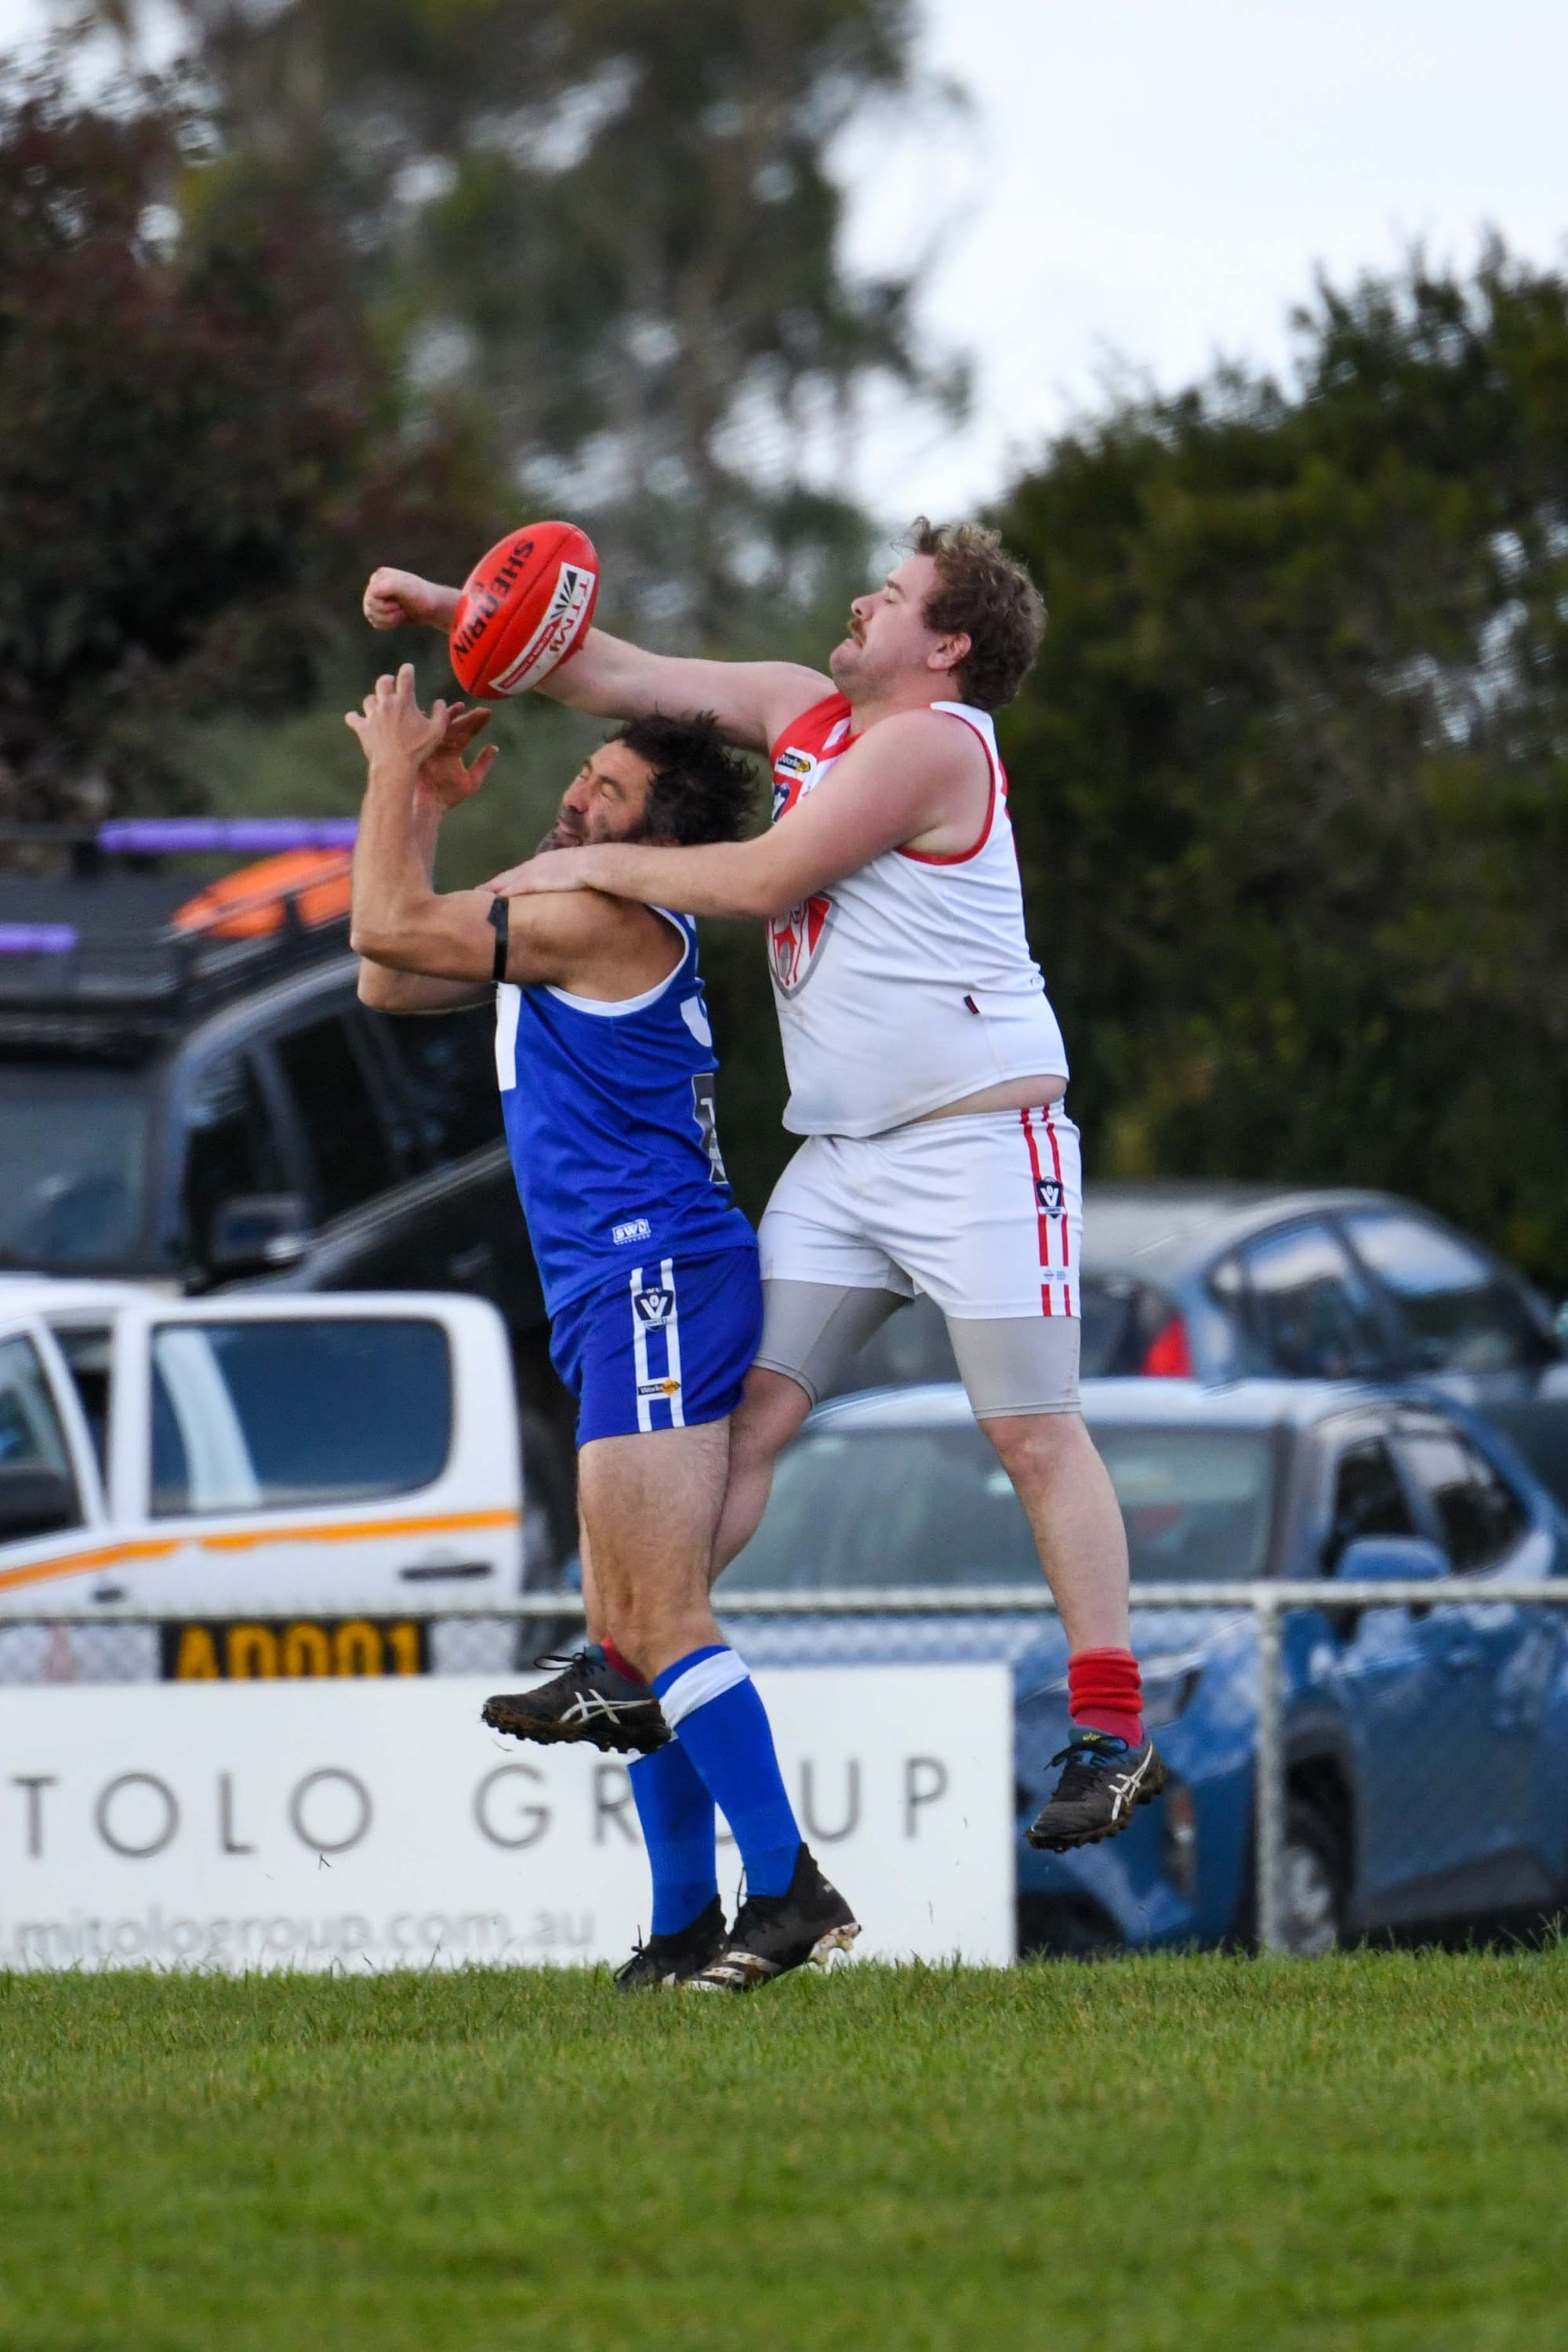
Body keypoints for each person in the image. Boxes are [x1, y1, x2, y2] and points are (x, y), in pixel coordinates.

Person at [362, 521, 1166, 1854]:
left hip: (979, 1145)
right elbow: (606, 669)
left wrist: (583, 862)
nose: (863, 598)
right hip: (846, 1161)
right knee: (735, 1428)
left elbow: (765, 876)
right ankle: (632, 1653)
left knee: (1030, 1430)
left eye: (895, 596)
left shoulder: (934, 742)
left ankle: (1111, 1725)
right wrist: (461, 606)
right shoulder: (804, 709)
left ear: (948, 646)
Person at [345, 664, 859, 1991]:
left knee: (657, 1616)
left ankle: (787, 1886)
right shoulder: (581, 909)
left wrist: (396, 771)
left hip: (652, 1279)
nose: (576, 794)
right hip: (621, 1288)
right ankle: (686, 1923)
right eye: (584, 775)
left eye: (610, 791)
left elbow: (386, 925)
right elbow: (388, 979)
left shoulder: (591, 914)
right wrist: (425, 811)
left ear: (660, 846)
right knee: (623, 1632)